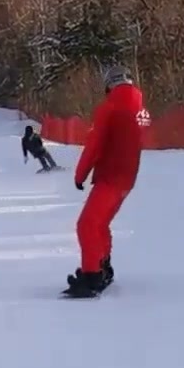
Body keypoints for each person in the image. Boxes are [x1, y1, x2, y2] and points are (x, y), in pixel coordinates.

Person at [65, 62, 148, 297]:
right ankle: (102, 267)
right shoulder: (141, 111)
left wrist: (81, 174)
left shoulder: (109, 108)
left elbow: (95, 144)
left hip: (111, 176)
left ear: (110, 85)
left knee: (87, 225)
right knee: (100, 224)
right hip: (127, 178)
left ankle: (92, 275)